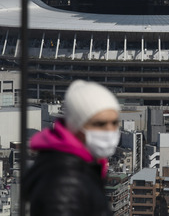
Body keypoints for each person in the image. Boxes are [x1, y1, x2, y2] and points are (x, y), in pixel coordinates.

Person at [26, 80, 121, 216]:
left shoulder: (80, 168)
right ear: (77, 126)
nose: (110, 130)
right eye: (100, 124)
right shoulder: (65, 184)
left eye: (114, 123)